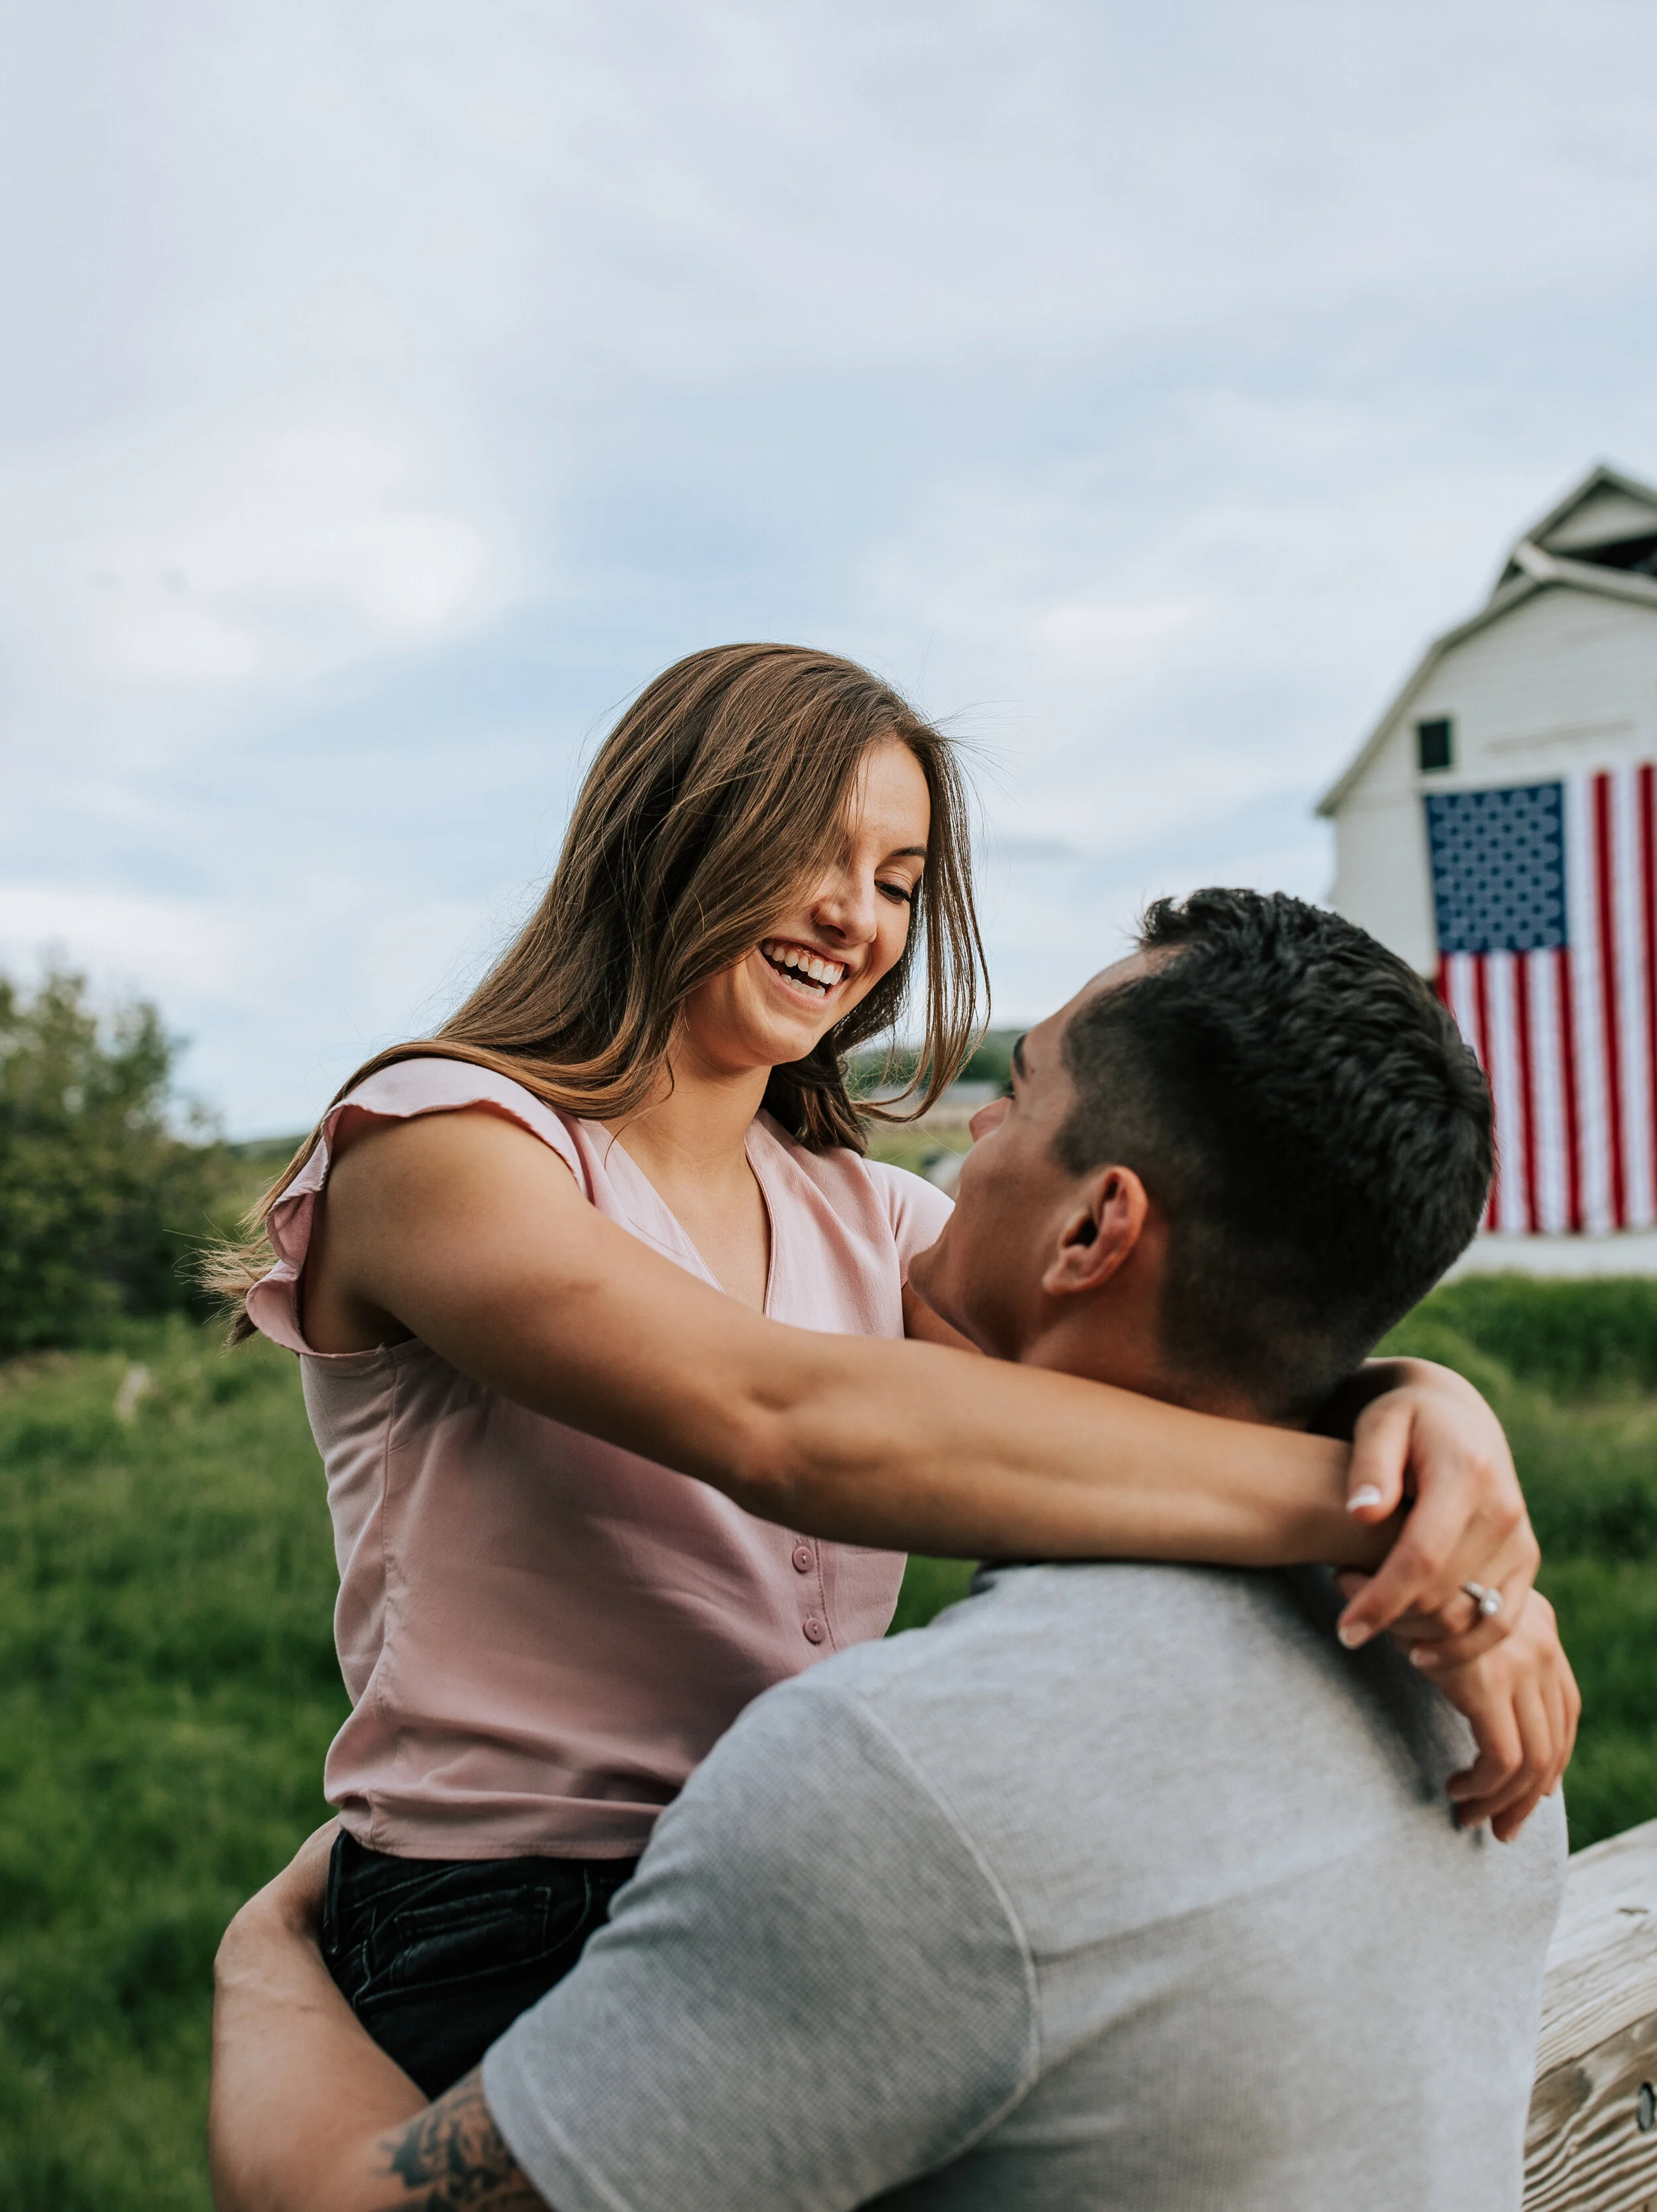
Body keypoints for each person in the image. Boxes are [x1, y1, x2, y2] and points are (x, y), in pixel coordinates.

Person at [211, 648, 1548, 2095]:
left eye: (899, 880)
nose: (855, 916)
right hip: (506, 1918)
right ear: (668, 828)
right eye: (812, 850)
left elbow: (1162, 1381)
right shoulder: (439, 1143)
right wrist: (1360, 1508)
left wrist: (1419, 1419)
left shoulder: (860, 1214)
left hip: (808, 1868)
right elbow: (774, 1418)